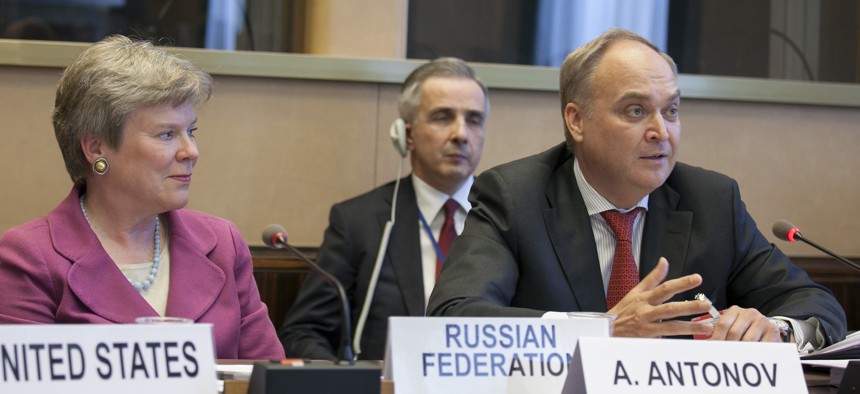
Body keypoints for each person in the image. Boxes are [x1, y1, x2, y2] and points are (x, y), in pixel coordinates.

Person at [427, 28, 846, 350]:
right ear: (577, 120)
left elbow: (815, 303)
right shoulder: (515, 196)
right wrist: (604, 328)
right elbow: (454, 318)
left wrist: (775, 329)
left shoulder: (712, 201)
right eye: (635, 111)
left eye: (671, 110)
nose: (660, 132)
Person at [0, 35, 284, 360]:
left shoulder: (222, 244)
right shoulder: (30, 257)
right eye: (167, 134)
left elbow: (270, 377)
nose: (191, 151)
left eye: (191, 131)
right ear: (96, 148)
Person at [279, 57, 489, 361]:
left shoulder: (509, 218)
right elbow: (303, 332)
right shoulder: (358, 222)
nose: (461, 133)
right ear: (407, 135)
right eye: (443, 117)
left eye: (473, 119)